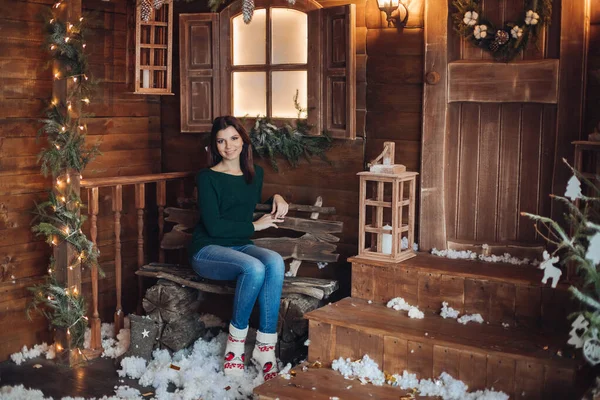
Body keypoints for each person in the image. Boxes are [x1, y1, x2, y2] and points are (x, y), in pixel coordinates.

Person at [189, 116, 289, 381]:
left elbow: (243, 204)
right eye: (221, 141)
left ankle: (265, 350)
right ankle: (234, 350)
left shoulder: (254, 175)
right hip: (208, 249)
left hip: (239, 246)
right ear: (214, 146)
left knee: (275, 261)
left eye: (233, 138)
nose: (228, 146)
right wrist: (255, 226)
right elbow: (215, 226)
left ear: (243, 141)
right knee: (254, 268)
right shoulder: (207, 177)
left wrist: (275, 198)